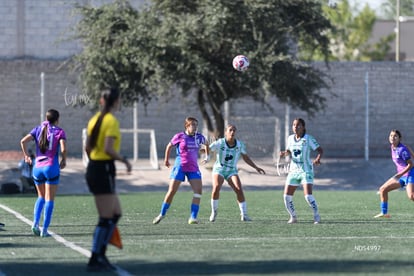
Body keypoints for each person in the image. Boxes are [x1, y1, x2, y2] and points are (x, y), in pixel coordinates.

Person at [85, 88, 132, 272]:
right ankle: (95, 257)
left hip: (96, 167)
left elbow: (87, 147)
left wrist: (94, 162)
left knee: (115, 213)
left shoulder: (94, 119)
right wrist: (125, 161)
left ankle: (100, 254)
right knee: (105, 217)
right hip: (103, 168)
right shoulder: (111, 121)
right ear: (115, 101)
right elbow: (108, 149)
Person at [153, 116, 210, 225]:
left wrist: (207, 157)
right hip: (180, 167)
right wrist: (166, 159)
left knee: (198, 192)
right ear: (187, 126)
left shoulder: (199, 137)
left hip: (193, 168)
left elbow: (206, 144)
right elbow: (169, 146)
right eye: (192, 125)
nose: (195, 127)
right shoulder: (179, 136)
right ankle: (162, 214)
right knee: (172, 191)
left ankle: (193, 217)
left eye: (196, 125)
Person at [20, 109, 67, 237]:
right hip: (51, 167)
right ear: (57, 119)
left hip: (37, 167)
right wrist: (64, 160)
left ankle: (35, 224)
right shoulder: (60, 131)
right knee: (49, 199)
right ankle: (44, 230)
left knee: (41, 196)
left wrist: (26, 156)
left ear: (46, 118)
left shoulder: (37, 129)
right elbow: (63, 148)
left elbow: (23, 141)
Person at [208, 124, 265, 222]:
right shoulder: (220, 142)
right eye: (230, 130)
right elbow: (207, 148)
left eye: (234, 130)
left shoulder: (239, 145)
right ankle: (214, 212)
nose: (232, 132)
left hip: (232, 170)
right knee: (216, 187)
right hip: (219, 169)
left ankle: (244, 215)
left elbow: (245, 157)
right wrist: (203, 152)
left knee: (239, 189)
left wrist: (256, 167)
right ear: (226, 132)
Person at [280, 118, 323, 224]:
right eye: (294, 125)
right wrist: (284, 154)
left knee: (308, 196)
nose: (295, 127)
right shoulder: (290, 138)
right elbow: (289, 151)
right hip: (293, 171)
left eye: (298, 125)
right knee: (286, 196)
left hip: (306, 170)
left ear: (303, 127)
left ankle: (316, 215)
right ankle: (293, 217)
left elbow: (320, 150)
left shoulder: (308, 139)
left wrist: (318, 158)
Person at [375, 129, 414, 218]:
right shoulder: (393, 147)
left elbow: (411, 164)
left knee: (411, 196)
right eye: (391, 135)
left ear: (399, 138)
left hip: (410, 174)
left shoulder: (402, 149)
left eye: (395, 136)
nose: (392, 137)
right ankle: (384, 213)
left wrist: (400, 174)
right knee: (383, 189)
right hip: (402, 175)